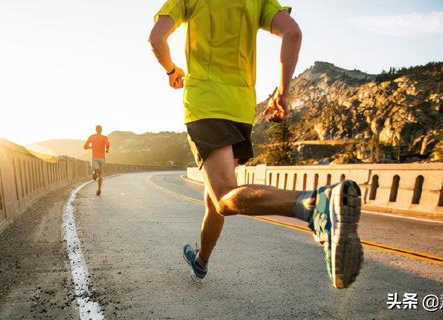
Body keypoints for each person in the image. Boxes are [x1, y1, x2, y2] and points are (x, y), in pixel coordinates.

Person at [149, 0, 363, 288]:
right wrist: (283, 92)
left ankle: (314, 205)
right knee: (215, 199)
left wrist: (171, 70)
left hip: (204, 104)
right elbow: (293, 34)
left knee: (225, 196)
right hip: (240, 109)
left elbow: (156, 39)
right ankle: (201, 262)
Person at [84, 125, 110, 196]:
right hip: (102, 158)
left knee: (98, 172)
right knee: (100, 174)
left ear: (96, 130)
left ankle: (94, 174)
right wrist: (107, 149)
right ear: (101, 130)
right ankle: (99, 188)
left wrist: (92, 146)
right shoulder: (104, 137)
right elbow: (107, 144)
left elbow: (85, 147)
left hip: (95, 157)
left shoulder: (92, 137)